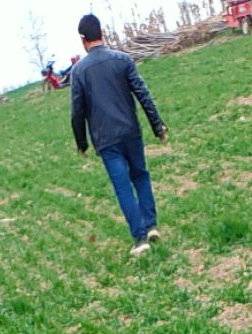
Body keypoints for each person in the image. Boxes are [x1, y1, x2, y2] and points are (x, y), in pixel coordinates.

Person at [69, 12, 167, 257]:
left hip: (106, 140)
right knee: (141, 176)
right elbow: (143, 94)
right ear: (101, 33)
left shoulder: (79, 71)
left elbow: (76, 112)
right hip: (131, 132)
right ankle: (152, 225)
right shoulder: (123, 60)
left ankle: (140, 238)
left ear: (83, 40)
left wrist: (82, 143)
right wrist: (158, 126)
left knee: (123, 187)